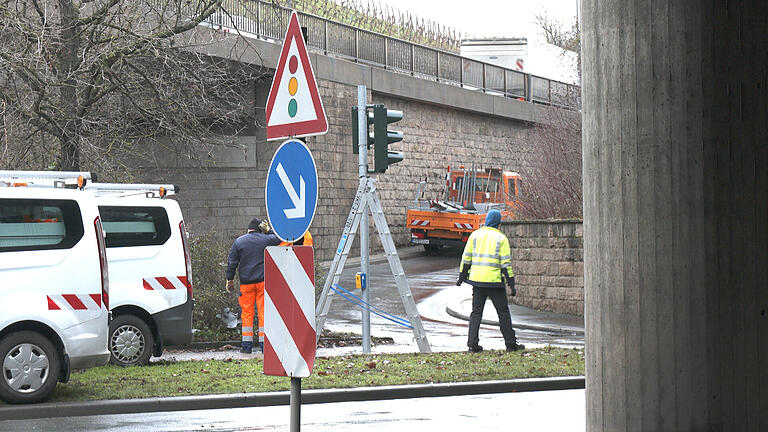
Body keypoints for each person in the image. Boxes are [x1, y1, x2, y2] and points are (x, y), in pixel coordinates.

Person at [456, 209, 525, 353]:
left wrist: (461, 277)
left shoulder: (474, 235)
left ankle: (472, 344)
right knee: (503, 313)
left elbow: (466, 258)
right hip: (494, 282)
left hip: (477, 282)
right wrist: (511, 284)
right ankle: (511, 344)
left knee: (476, 313)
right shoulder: (501, 238)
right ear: (498, 224)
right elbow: (506, 265)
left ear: (486, 221)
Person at [226, 218, 281, 354]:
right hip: (262, 283)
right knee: (263, 313)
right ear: (260, 229)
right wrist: (268, 231)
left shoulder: (239, 242)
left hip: (246, 284)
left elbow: (232, 263)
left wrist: (229, 280)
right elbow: (279, 238)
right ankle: (264, 347)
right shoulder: (265, 239)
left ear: (248, 229)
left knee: (247, 314)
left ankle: (246, 347)